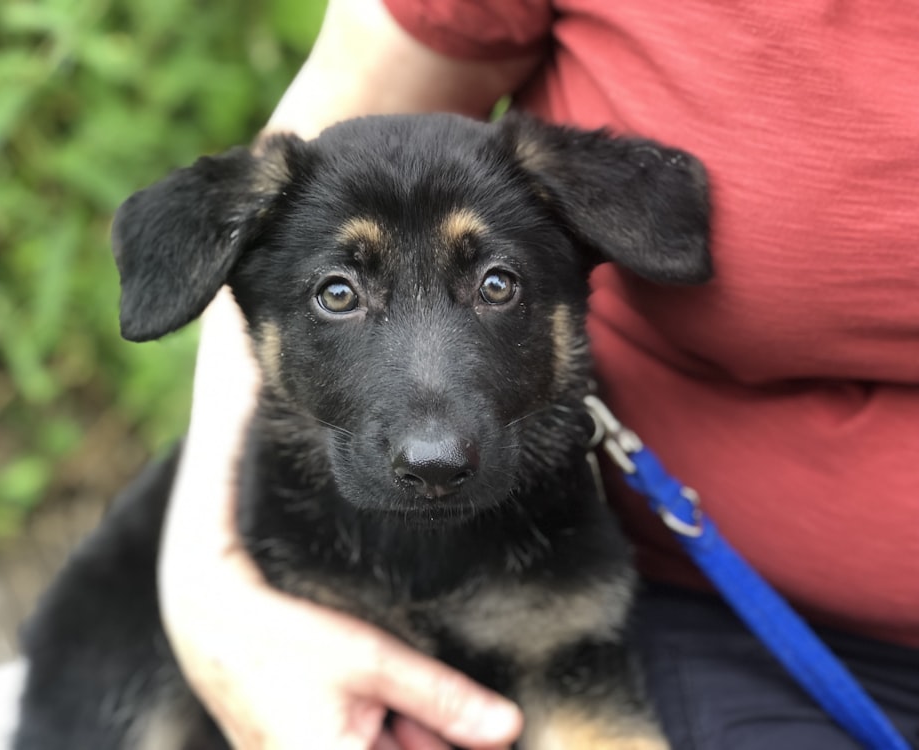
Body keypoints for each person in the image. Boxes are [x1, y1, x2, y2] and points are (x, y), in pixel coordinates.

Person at [157, 1, 919, 748]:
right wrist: (204, 583)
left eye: (495, 286)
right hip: (722, 626)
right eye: (339, 293)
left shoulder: (561, 548)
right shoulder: (278, 525)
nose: (433, 446)